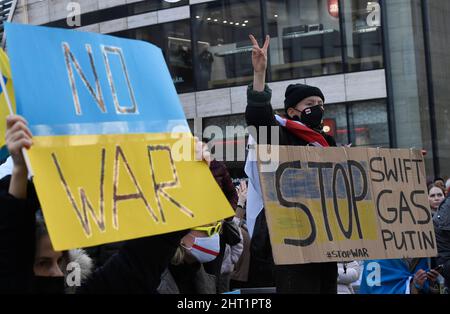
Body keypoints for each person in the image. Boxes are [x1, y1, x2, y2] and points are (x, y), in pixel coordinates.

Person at [0, 115, 218, 294]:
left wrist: (187, 180)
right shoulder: (14, 266)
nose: (58, 273)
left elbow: (139, 264)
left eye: (59, 262)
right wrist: (20, 171)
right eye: (43, 264)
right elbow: (12, 248)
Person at [245, 34, 337, 293]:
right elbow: (258, 118)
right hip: (291, 240)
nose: (318, 108)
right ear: (293, 111)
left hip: (326, 240)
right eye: (310, 104)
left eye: (320, 104)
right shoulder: (280, 137)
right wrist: (259, 75)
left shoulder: (328, 143)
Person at [359, 258, 440, 294]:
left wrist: (431, 283)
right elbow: (375, 289)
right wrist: (412, 286)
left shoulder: (425, 255)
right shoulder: (375, 260)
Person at [433, 195, 450, 292]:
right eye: (432, 195)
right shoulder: (444, 219)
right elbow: (444, 261)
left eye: (439, 195)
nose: (436, 198)